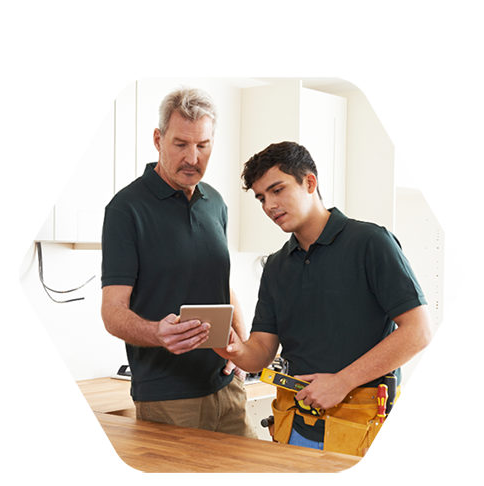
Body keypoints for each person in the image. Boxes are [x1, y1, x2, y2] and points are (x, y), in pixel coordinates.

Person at [214, 141, 431, 454]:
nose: (269, 205)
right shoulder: (276, 264)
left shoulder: (370, 242)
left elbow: (418, 332)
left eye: (277, 190)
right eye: (261, 198)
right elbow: (261, 350)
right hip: (294, 424)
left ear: (309, 182)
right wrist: (234, 348)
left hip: (361, 425)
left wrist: (342, 382)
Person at [101, 87, 257, 438]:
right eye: (181, 144)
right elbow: (112, 311)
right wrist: (157, 332)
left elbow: (221, 281)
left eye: (203, 145)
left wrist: (242, 346)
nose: (193, 157)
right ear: (158, 139)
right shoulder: (126, 210)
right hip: (167, 398)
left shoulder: (215, 202)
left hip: (226, 387)